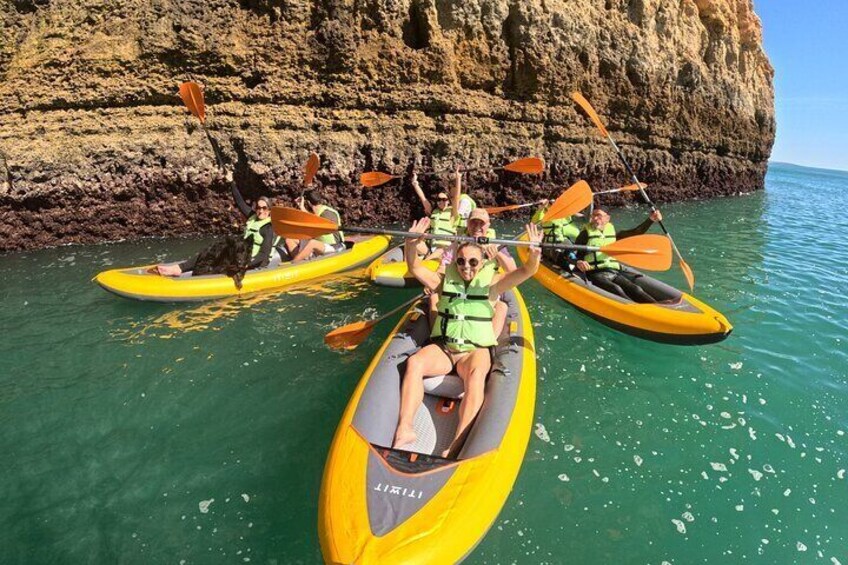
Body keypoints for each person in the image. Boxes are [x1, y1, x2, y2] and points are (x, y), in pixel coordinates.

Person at [394, 219, 542, 458]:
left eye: (473, 262)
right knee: (415, 363)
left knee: (475, 376)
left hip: (474, 351)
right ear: (455, 262)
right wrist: (411, 244)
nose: (466, 267)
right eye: (461, 261)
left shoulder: (493, 285)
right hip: (446, 348)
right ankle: (405, 428)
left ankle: (455, 444)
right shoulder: (444, 282)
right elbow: (414, 267)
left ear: (482, 263)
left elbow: (527, 271)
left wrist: (534, 254)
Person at [155, 170, 278, 276]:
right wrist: (231, 182)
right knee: (211, 251)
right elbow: (240, 202)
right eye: (258, 207)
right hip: (240, 255)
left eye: (264, 208)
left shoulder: (268, 228)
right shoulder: (253, 216)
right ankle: (179, 268)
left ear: (270, 210)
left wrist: (246, 264)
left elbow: (264, 254)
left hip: (253, 262)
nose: (261, 211)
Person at [574, 207, 664, 303]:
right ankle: (635, 310)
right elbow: (575, 254)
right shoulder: (585, 234)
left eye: (599, 215)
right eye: (593, 215)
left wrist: (650, 220)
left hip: (613, 271)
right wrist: (579, 261)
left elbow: (636, 232)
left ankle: (659, 308)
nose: (595, 218)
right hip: (594, 273)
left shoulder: (613, 233)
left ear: (607, 218)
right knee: (616, 289)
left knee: (636, 289)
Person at [284, 190, 346, 262]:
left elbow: (327, 229)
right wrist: (301, 207)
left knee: (312, 243)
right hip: (320, 246)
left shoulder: (327, 213)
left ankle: (294, 263)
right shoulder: (314, 214)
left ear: (308, 203)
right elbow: (313, 220)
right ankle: (301, 260)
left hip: (334, 246)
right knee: (289, 239)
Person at [410, 172, 456, 257]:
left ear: (448, 201)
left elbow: (455, 197)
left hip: (443, 247)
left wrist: (457, 179)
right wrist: (415, 183)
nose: (441, 201)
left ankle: (427, 262)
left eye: (444, 199)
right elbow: (423, 198)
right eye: (438, 199)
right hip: (430, 246)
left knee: (439, 250)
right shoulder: (433, 211)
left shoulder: (453, 213)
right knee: (411, 243)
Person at [531, 198, 582, 263]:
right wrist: (541, 208)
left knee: (574, 252)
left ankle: (575, 262)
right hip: (551, 243)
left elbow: (582, 216)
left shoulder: (565, 210)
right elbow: (534, 222)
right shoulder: (545, 211)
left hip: (565, 240)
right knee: (563, 256)